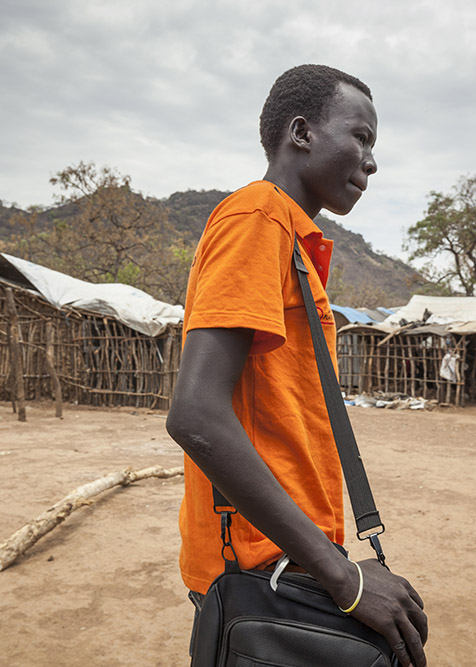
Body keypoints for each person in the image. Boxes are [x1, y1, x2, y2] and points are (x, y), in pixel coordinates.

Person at [165, 64, 428, 667]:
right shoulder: (257, 216)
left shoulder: (292, 239)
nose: (371, 160)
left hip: (288, 557)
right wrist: (342, 576)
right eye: (360, 136)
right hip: (262, 568)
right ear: (302, 133)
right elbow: (196, 413)